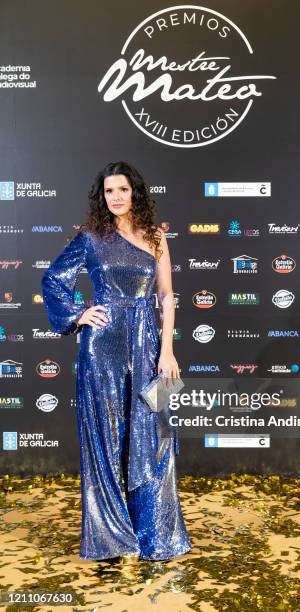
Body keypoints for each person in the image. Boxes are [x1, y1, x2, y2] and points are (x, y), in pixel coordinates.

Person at [41, 161, 192, 561]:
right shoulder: (91, 237)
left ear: (135, 192)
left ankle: (157, 535)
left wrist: (169, 349)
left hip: (148, 347)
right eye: (109, 191)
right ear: (102, 196)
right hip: (101, 347)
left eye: (122, 189)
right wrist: (78, 314)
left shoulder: (157, 237)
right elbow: (53, 279)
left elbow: (166, 297)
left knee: (156, 436)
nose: (116, 197)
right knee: (105, 442)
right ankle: (111, 540)